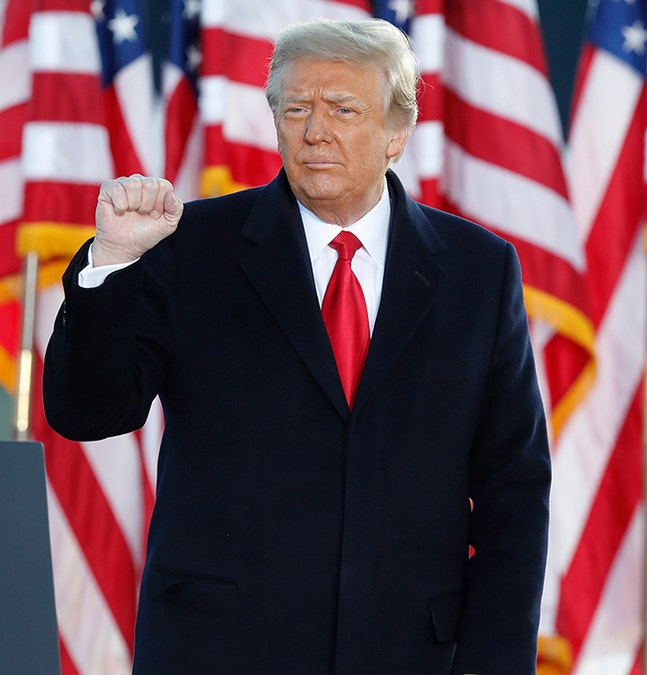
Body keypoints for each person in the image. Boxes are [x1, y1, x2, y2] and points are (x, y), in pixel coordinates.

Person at [42, 18, 550, 674]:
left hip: (408, 654)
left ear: (398, 132)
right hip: (218, 653)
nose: (315, 132)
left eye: (342, 109)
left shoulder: (478, 271)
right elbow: (86, 411)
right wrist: (111, 260)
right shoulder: (189, 248)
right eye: (296, 108)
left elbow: (515, 491)